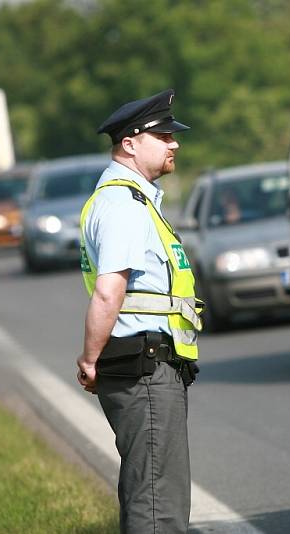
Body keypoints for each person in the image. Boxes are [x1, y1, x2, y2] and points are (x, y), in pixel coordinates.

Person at [76, 88, 202, 534]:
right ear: (129, 143)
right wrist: (90, 359)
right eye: (163, 134)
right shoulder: (123, 205)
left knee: (157, 492)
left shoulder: (134, 200)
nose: (174, 143)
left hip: (148, 365)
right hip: (145, 368)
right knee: (156, 505)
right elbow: (110, 290)